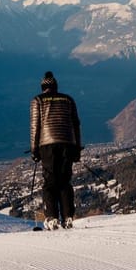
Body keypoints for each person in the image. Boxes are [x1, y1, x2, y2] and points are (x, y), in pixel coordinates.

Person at [30, 71, 81, 230]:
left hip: (47, 145)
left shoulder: (37, 100)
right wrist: (77, 148)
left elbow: (35, 127)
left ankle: (51, 217)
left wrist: (34, 150)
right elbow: (76, 124)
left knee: (50, 183)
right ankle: (68, 217)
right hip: (68, 143)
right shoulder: (68, 99)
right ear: (56, 86)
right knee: (65, 182)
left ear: (43, 87)